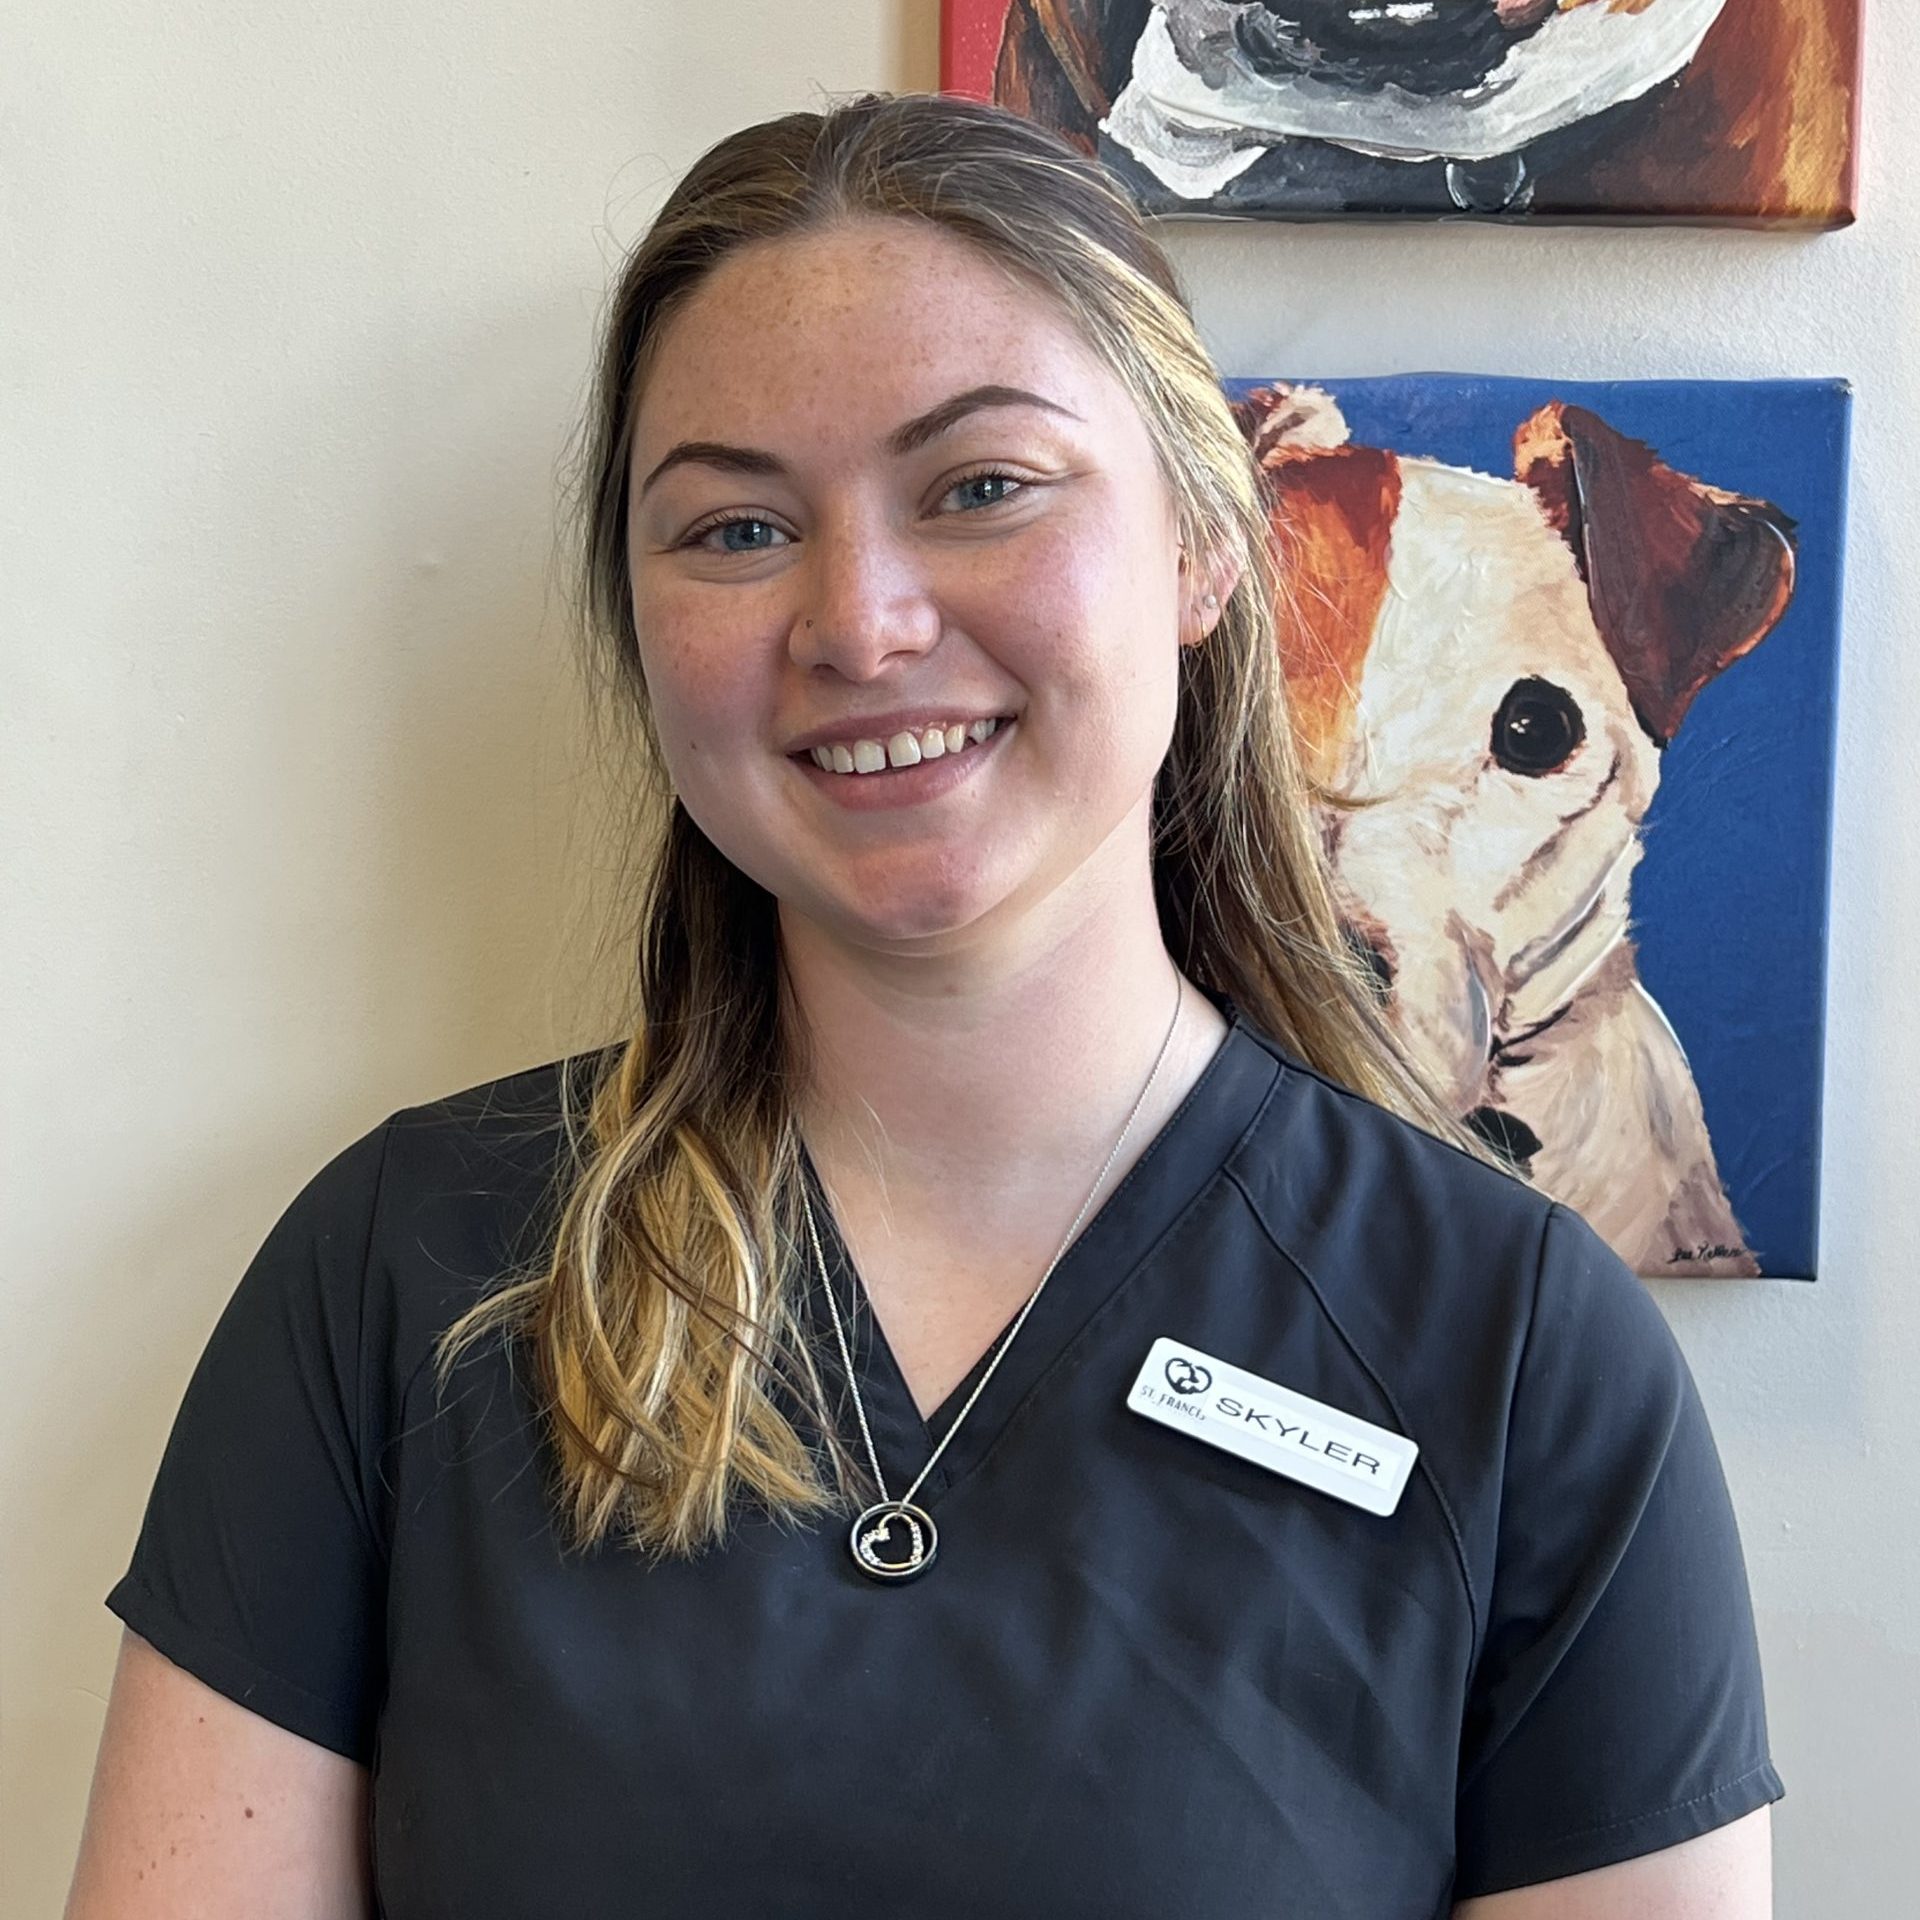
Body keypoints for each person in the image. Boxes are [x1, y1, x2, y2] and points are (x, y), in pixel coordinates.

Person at [64, 90, 1781, 1919]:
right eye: (732, 530)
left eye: (980, 487)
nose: (859, 620)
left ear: (1213, 550)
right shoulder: (398, 1279)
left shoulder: (1523, 1361)